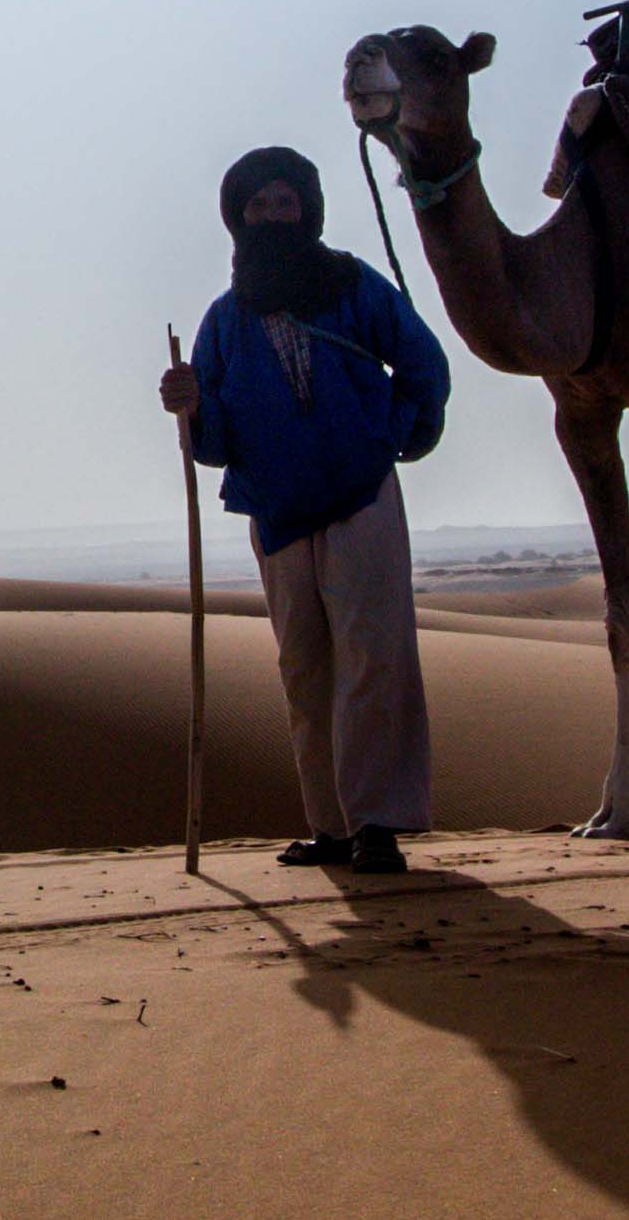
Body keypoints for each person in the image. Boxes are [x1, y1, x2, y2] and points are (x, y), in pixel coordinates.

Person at [162, 145, 451, 877]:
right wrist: (189, 405)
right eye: (257, 206)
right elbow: (216, 436)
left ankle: (376, 825)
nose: (270, 216)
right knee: (305, 671)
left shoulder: (354, 286)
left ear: (307, 210)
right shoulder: (225, 319)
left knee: (373, 659)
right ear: (239, 218)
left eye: (283, 203)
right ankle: (330, 827)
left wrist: (395, 435)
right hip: (279, 511)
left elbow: (423, 364)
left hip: (362, 496)